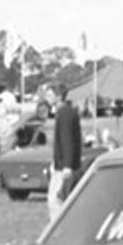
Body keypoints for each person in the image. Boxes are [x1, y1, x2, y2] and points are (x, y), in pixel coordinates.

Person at [48, 82, 83, 221]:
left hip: (64, 167)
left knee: (56, 200)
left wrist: (67, 166)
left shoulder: (64, 113)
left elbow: (67, 140)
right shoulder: (65, 112)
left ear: (58, 96)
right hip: (61, 165)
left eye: (50, 94)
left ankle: (56, 231)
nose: (47, 97)